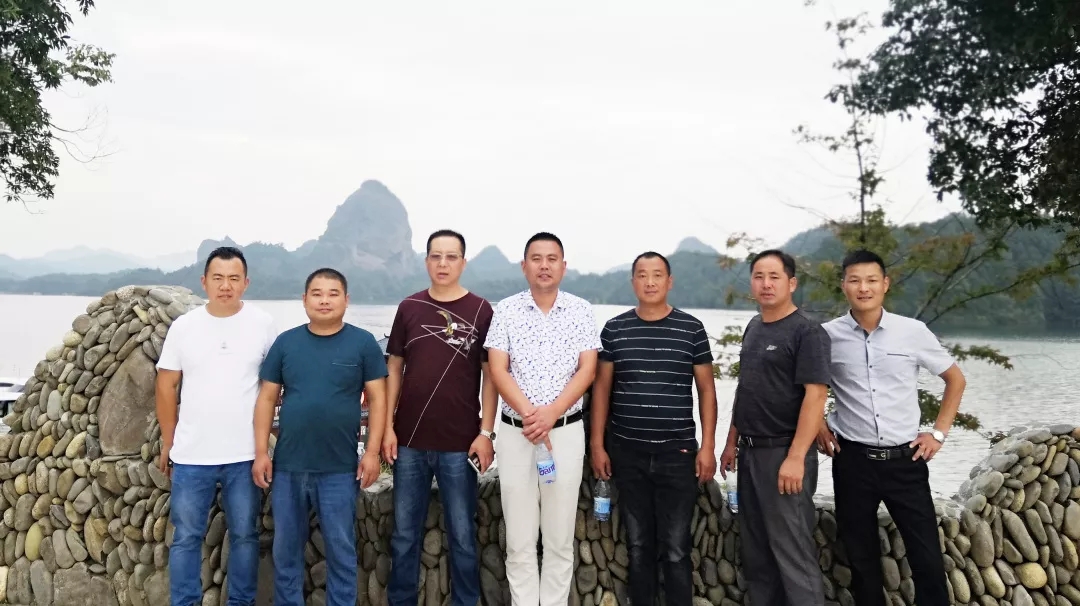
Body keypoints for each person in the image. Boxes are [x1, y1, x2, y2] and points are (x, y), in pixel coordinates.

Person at [817, 249, 966, 606]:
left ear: (885, 284)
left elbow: (955, 379)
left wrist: (938, 433)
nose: (863, 288)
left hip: (906, 461)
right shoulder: (825, 336)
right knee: (861, 560)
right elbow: (805, 388)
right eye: (855, 280)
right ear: (843, 285)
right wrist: (819, 424)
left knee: (927, 558)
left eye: (871, 280)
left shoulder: (912, 332)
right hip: (853, 461)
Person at [251, 268, 388, 606]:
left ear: (346, 300)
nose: (324, 300)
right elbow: (267, 398)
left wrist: (372, 453)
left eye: (332, 293)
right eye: (317, 293)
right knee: (286, 552)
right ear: (304, 299)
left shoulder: (363, 344)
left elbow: (379, 399)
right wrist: (261, 452)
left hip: (340, 469)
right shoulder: (286, 343)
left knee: (341, 552)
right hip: (288, 467)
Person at [590, 251, 718, 605]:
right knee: (638, 545)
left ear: (669, 281)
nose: (650, 282)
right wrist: (598, 445)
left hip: (677, 454)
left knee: (676, 549)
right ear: (633, 282)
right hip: (627, 453)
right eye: (642, 275)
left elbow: (707, 390)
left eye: (657, 275)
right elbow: (601, 390)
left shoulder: (691, 328)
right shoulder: (614, 329)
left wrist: (708, 447)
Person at [155, 246, 279, 606]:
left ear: (246, 283)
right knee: (186, 538)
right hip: (192, 455)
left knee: (245, 536)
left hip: (245, 454)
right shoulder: (184, 327)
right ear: (204, 281)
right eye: (218, 278)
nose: (226, 286)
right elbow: (166, 385)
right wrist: (169, 441)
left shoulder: (263, 324)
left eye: (234, 278)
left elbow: (273, 386)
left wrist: (264, 446)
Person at [484, 232, 602, 606]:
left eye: (552, 259)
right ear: (524, 266)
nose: (544, 266)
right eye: (536, 258)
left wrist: (550, 414)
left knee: (559, 538)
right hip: (515, 434)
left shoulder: (581, 310)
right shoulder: (505, 310)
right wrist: (531, 416)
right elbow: (497, 369)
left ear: (563, 266)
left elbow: (588, 369)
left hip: (565, 433)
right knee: (519, 540)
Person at [383, 229, 497, 606]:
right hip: (409, 442)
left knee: (463, 537)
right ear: (426, 261)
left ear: (463, 262)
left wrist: (486, 432)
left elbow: (491, 377)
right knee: (403, 536)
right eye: (436, 256)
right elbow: (394, 368)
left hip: (459, 444)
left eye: (451, 257)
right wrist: (387, 428)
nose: (443, 263)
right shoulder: (409, 307)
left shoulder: (482, 310)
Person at [719, 249, 830, 606]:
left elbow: (816, 395)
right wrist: (731, 441)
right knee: (757, 553)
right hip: (750, 452)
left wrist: (796, 458)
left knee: (792, 553)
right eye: (759, 277)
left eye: (774, 277)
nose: (766, 284)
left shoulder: (807, 331)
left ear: (791, 283)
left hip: (784, 453)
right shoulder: (754, 326)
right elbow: (747, 388)